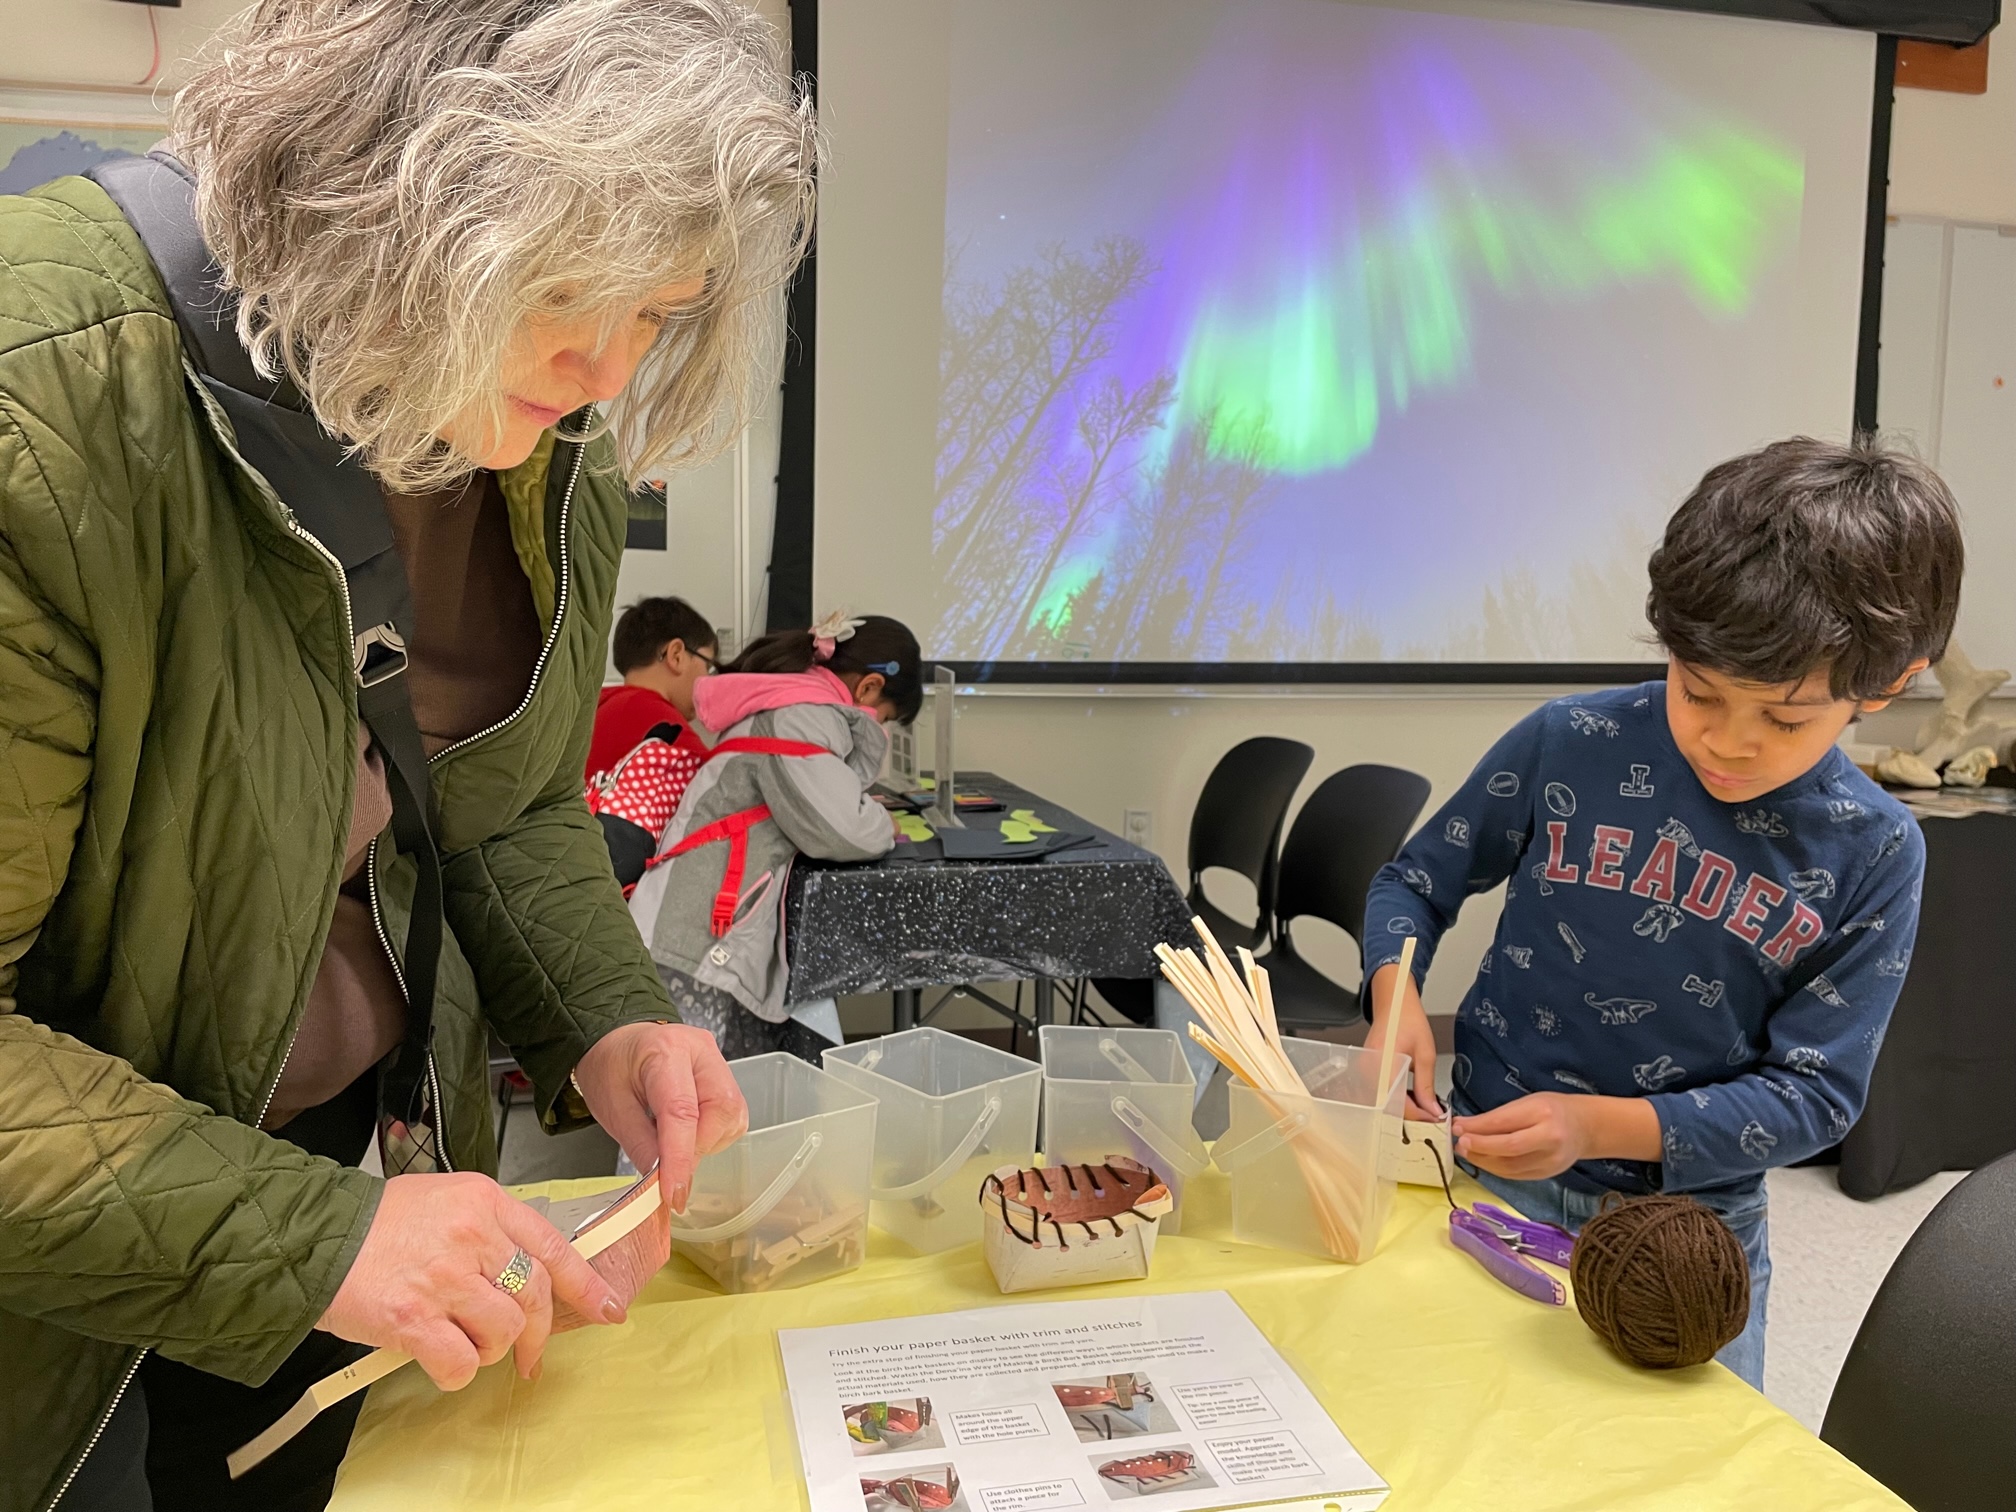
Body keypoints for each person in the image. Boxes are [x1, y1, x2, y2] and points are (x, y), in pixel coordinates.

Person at [0, 2, 814, 1508]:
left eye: (661, 308)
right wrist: (312, 1241)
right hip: (67, 1263)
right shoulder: (42, 394)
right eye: (568, 284)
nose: (600, 364)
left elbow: (499, 802)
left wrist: (609, 1027)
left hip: (346, 1171)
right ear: (387, 192)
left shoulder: (538, 425)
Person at [1361, 436, 1963, 1390]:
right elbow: (1414, 883)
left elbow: (1814, 1097)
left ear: (1885, 687)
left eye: (1785, 718)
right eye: (1698, 691)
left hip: (1686, 1226)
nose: (1727, 742)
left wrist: (1599, 1127)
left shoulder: (1875, 848)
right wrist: (1394, 1004)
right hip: (1483, 1169)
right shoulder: (1575, 741)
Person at [628, 615, 924, 1061]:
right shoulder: (801, 715)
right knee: (685, 1087)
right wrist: (885, 823)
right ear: (868, 689)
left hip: (696, 917)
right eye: (882, 719)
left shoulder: (786, 701)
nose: (877, 729)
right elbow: (839, 828)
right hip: (695, 929)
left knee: (705, 1082)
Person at [587, 596, 720, 887]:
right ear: (676, 655)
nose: (709, 681)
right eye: (708, 668)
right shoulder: (660, 720)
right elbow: (721, 786)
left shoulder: (596, 706)